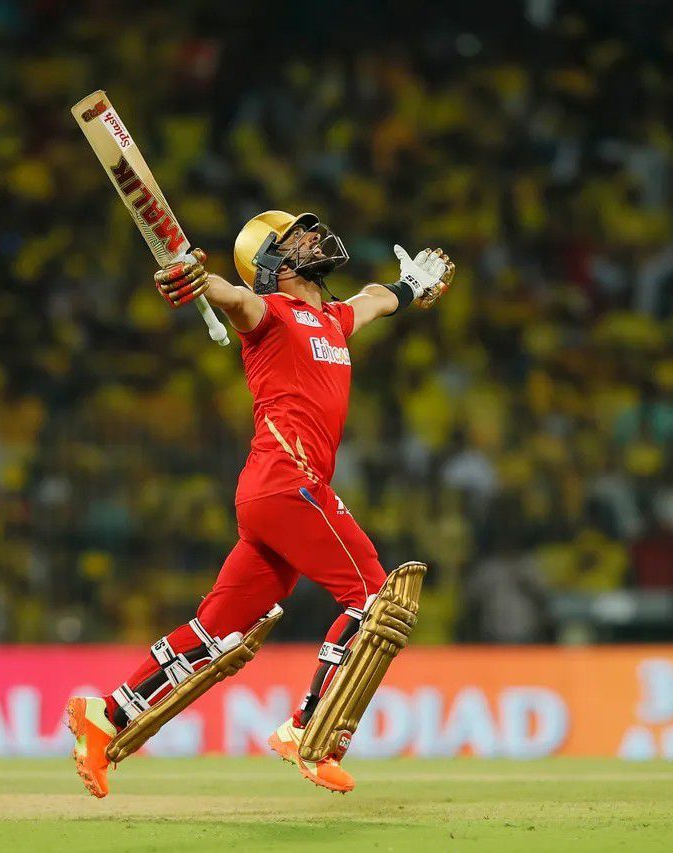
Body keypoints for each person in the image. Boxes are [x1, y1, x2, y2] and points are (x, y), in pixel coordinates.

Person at [65, 210, 453, 797]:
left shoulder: (333, 319)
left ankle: (108, 717)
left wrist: (408, 288)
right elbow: (230, 296)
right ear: (274, 263)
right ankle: (309, 730)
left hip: (274, 494)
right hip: (286, 484)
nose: (314, 239)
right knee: (375, 598)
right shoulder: (267, 312)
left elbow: (375, 299)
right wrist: (200, 278)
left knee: (217, 630)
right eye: (296, 237)